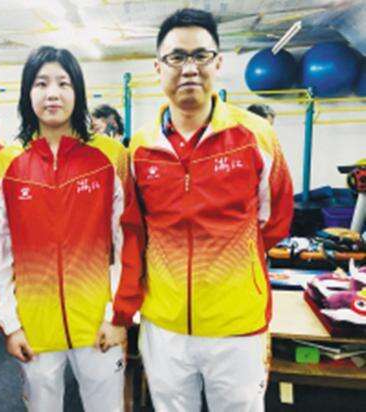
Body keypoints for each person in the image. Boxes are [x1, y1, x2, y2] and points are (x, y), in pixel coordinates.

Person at [129, 9, 294, 412]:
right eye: (176, 57)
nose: (189, 68)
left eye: (200, 55)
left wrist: (233, 264)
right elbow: (137, 230)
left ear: (218, 63)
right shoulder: (140, 147)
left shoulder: (255, 136)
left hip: (236, 323)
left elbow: (275, 221)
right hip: (164, 323)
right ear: (158, 67)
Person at [0, 46, 144, 411]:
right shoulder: (7, 162)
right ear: (28, 93)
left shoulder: (110, 156)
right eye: (41, 83)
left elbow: (128, 239)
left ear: (78, 92)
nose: (52, 94)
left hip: (98, 320)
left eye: (63, 83)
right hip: (34, 322)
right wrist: (11, 324)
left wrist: (119, 315)